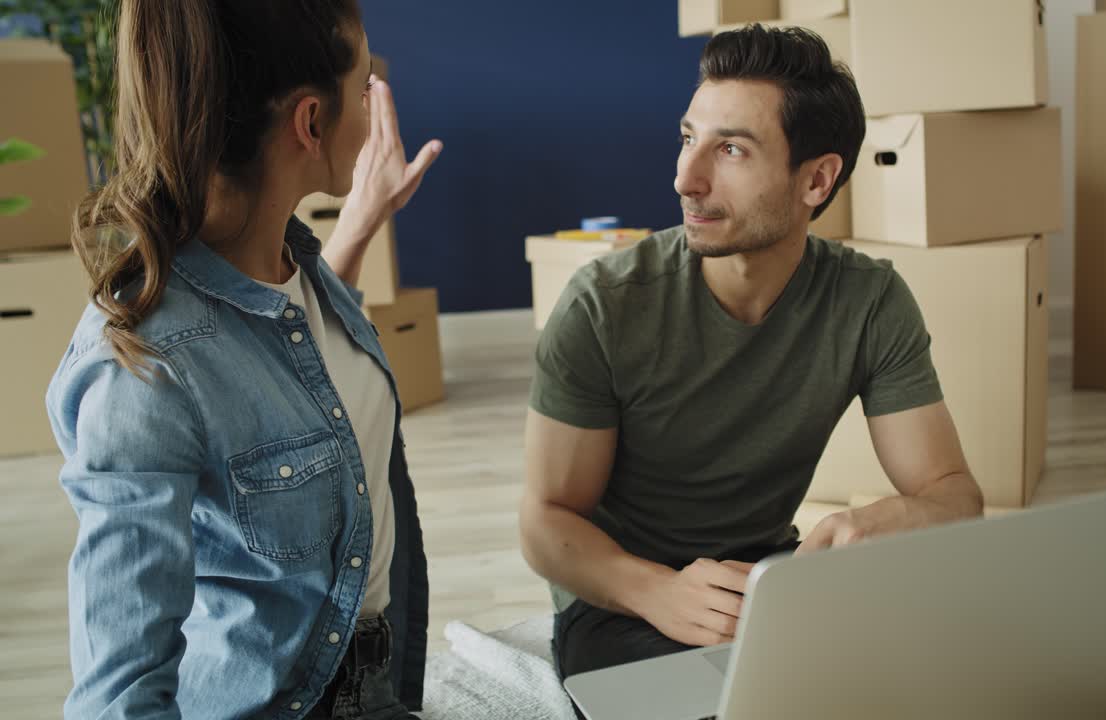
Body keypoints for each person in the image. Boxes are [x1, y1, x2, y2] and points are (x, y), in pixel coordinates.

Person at [519, 24, 984, 686]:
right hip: (624, 602)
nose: (686, 177)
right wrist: (659, 593)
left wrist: (891, 520)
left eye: (731, 149)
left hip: (770, 578)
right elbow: (545, 521)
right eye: (688, 139)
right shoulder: (605, 305)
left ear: (816, 180)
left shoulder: (869, 301)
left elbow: (954, 496)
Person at [45, 2, 441, 718]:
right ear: (311, 123)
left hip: (375, 683)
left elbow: (293, 372)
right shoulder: (142, 369)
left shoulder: (299, 269)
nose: (373, 110)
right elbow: (118, 693)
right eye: (362, 91)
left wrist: (359, 225)